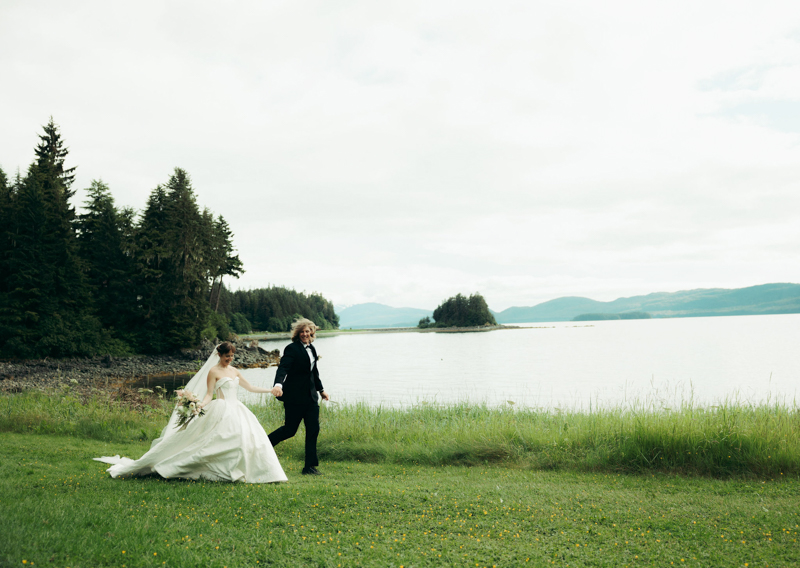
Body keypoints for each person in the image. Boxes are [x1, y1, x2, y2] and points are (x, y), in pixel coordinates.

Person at [94, 342, 287, 484]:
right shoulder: (213, 372)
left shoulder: (235, 371)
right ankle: (199, 468)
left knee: (246, 439)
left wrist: (270, 390)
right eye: (227, 356)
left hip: (237, 408)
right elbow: (209, 394)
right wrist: (199, 406)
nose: (230, 359)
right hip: (220, 408)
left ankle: (247, 471)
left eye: (232, 356)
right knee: (213, 441)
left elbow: (251, 387)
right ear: (219, 355)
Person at [268, 318, 330, 475]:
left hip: (311, 397)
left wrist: (321, 390)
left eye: (307, 331)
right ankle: (264, 445)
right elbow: (283, 368)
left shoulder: (313, 349)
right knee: (289, 430)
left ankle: (309, 467)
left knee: (313, 429)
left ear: (311, 333)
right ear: (297, 334)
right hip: (294, 398)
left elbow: (314, 371)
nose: (305, 334)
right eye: (302, 331)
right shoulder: (291, 348)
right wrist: (278, 385)